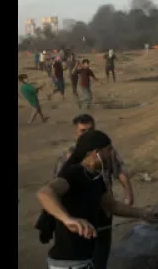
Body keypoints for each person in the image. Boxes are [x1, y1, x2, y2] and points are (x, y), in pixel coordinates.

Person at [36, 130, 158, 269]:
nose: (112, 154)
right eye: (108, 150)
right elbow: (44, 193)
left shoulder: (96, 178)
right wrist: (68, 220)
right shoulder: (73, 174)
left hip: (86, 260)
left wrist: (143, 213)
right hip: (68, 263)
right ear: (96, 153)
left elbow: (111, 205)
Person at [54, 114, 134, 269]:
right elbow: (51, 191)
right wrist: (66, 218)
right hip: (79, 218)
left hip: (104, 210)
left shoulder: (106, 152)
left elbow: (120, 172)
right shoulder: (68, 158)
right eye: (82, 131)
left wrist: (129, 196)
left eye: (90, 130)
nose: (87, 134)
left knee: (102, 253)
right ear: (76, 132)